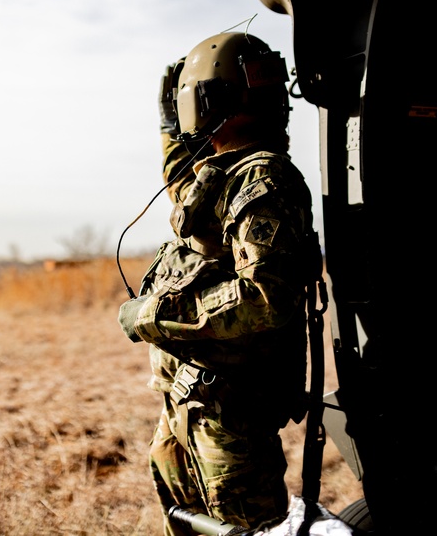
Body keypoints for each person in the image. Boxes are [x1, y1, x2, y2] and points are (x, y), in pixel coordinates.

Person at [117, 32, 320, 534]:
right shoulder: (224, 170)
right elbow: (184, 193)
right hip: (191, 406)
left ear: (205, 103)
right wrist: (169, 128)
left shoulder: (263, 180)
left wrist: (151, 315)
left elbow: (264, 300)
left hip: (230, 415)